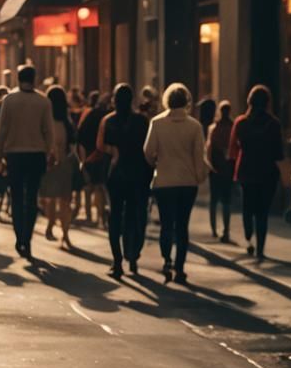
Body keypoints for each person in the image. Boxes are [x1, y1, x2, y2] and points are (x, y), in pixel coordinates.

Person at [144, 83, 207, 285]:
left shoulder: (157, 123)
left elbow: (147, 151)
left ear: (167, 101)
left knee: (166, 224)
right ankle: (180, 267)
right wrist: (199, 176)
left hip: (164, 181)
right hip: (187, 182)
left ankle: (166, 260)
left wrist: (156, 163)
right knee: (182, 226)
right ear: (187, 101)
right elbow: (199, 156)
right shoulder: (195, 126)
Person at [0, 63, 54, 260]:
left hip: (14, 156)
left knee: (17, 197)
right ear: (34, 79)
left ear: (17, 79)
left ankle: (19, 237)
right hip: (36, 155)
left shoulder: (9, 99)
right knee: (32, 198)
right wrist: (49, 152)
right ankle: (27, 238)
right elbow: (49, 131)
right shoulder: (43, 101)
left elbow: (0, 130)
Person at [98, 83, 151, 278]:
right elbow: (148, 148)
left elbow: (100, 144)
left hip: (116, 173)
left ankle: (117, 261)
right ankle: (133, 255)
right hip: (137, 173)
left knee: (115, 216)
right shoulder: (141, 121)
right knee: (132, 214)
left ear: (114, 99)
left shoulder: (108, 121)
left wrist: (113, 151)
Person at [228, 85, 284, 262]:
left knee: (247, 206)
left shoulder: (241, 122)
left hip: (246, 170)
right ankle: (260, 248)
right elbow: (279, 153)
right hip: (267, 172)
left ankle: (248, 236)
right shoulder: (274, 124)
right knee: (262, 212)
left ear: (249, 101)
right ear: (267, 102)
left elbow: (233, 150)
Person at [40, 85, 76, 248]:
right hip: (65, 164)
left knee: (49, 198)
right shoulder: (67, 123)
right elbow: (74, 146)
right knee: (65, 201)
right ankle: (66, 234)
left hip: (48, 164)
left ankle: (50, 225)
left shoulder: (45, 122)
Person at [77, 91, 111, 227]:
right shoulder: (109, 116)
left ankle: (90, 216)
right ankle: (101, 217)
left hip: (91, 155)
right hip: (104, 156)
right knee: (100, 187)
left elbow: (80, 135)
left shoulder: (90, 114)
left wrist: (83, 157)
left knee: (88, 187)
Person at [206, 100, 235, 243]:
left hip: (216, 168)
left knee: (214, 200)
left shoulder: (213, 128)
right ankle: (226, 230)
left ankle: (214, 230)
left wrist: (209, 166)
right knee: (226, 200)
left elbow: (209, 150)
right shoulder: (233, 127)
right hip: (228, 169)